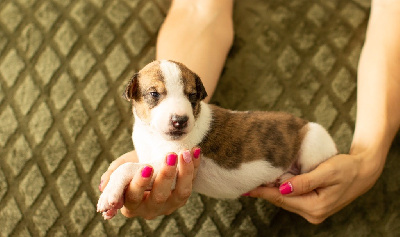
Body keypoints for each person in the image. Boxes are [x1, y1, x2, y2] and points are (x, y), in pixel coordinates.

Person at [100, 0, 400, 224]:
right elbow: (197, 10)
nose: (178, 113)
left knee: (309, 138)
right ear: (133, 95)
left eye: (191, 98)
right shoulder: (160, 120)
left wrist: (367, 159)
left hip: (316, 144)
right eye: (154, 96)